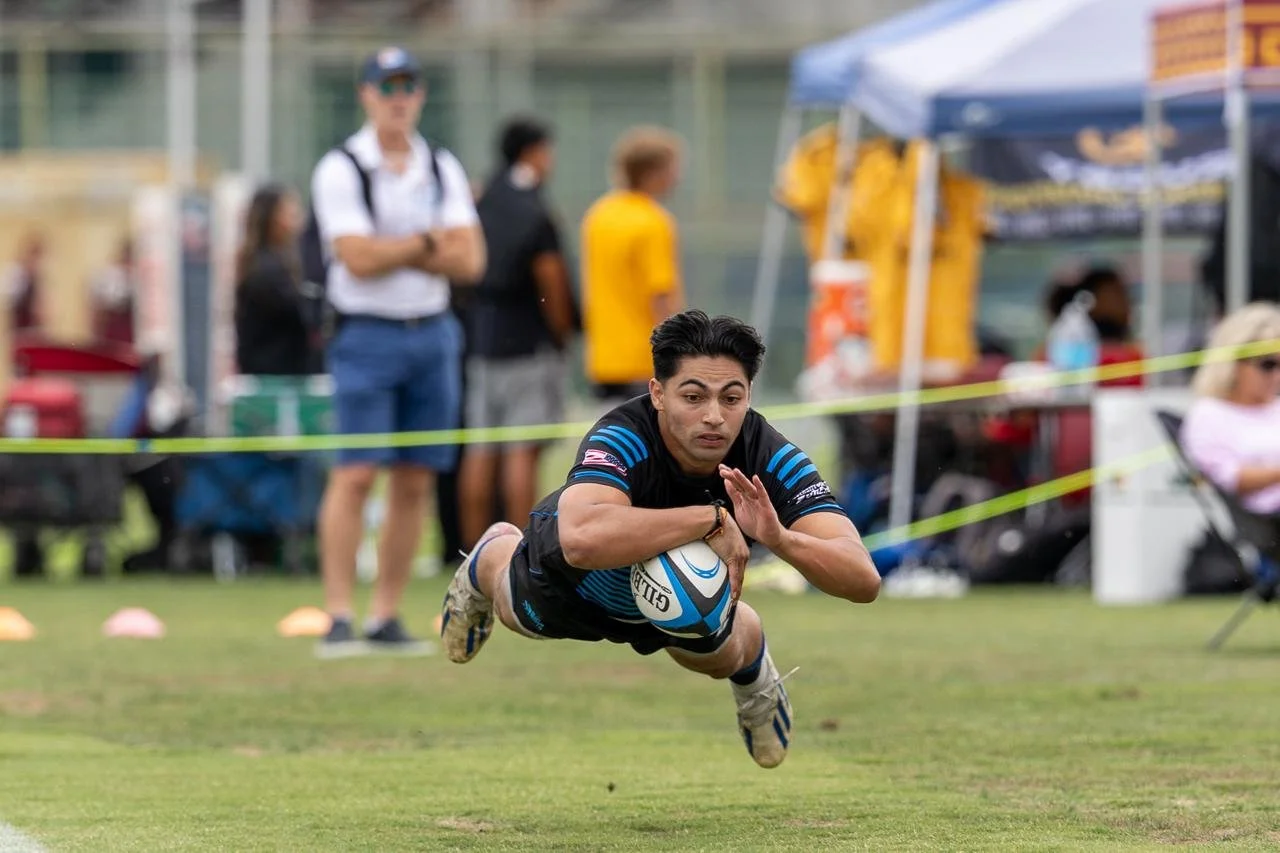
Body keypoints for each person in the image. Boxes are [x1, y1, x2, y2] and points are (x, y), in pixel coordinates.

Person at [439, 310, 881, 769]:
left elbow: (863, 580)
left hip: (673, 599)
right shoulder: (624, 433)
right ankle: (490, 556)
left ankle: (756, 682)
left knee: (713, 657)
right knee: (518, 617)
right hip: (581, 581)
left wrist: (782, 540)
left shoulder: (770, 456)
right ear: (658, 393)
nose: (714, 416)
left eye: (732, 398)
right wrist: (709, 519)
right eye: (693, 396)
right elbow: (581, 539)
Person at [311, 45, 485, 657]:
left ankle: (384, 613)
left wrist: (404, 247)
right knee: (355, 474)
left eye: (408, 86)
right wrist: (430, 241)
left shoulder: (439, 164)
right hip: (366, 333)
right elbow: (355, 259)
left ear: (421, 93)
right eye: (387, 87)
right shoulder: (341, 167)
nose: (398, 98)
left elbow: (471, 259)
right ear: (366, 94)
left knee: (415, 480)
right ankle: (337, 615)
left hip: (431, 331)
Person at [458, 117, 578, 550]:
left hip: (481, 338)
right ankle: (521, 548)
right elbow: (550, 276)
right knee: (521, 451)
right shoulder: (534, 208)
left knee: (480, 450)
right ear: (534, 152)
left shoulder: (480, 198)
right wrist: (562, 330)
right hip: (527, 341)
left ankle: (472, 552)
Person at [579, 125, 685, 404]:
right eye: (672, 169)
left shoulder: (599, 214)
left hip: (603, 358)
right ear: (652, 173)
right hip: (643, 359)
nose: (676, 178)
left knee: (614, 442)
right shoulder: (652, 221)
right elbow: (660, 295)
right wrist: (681, 351)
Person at [1181, 302, 1280, 516]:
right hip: (1263, 525)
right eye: (1268, 364)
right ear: (1233, 362)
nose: (1277, 376)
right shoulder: (1209, 414)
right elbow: (1227, 478)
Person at [234, 184, 312, 376]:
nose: (298, 215)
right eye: (290, 210)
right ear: (272, 218)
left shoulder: (269, 261)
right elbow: (300, 313)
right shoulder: (266, 269)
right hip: (274, 376)